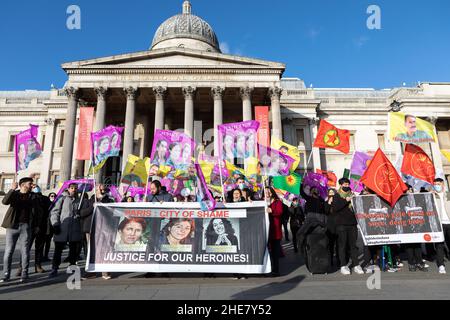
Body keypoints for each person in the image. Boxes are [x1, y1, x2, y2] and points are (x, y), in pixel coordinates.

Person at [1, 177, 47, 283]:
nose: (32, 185)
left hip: (26, 226)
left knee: (25, 251)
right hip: (12, 226)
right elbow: (4, 201)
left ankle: (24, 274)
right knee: (9, 251)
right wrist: (12, 189)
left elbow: (40, 209)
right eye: (30, 183)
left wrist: (38, 191)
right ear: (22, 185)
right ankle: (6, 274)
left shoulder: (33, 196)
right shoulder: (15, 194)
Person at [48, 183, 86, 278]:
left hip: (75, 228)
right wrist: (55, 224)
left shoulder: (80, 200)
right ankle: (54, 268)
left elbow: (83, 213)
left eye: (76, 188)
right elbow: (55, 212)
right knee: (58, 250)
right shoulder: (62, 198)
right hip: (62, 227)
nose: (74, 190)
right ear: (68, 189)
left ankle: (72, 267)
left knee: (74, 251)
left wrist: (79, 214)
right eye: (72, 188)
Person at [80, 184, 114, 280]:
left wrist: (102, 204)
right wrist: (92, 207)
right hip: (90, 228)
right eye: (100, 190)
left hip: (103, 228)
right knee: (90, 250)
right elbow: (82, 213)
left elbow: (112, 212)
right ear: (96, 190)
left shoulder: (109, 200)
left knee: (104, 249)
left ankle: (105, 272)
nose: (102, 191)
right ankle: (91, 272)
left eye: (103, 190)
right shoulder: (89, 201)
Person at [15, 184, 51, 275]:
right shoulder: (29, 197)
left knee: (39, 248)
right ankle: (21, 267)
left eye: (36, 186)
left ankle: (38, 265)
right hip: (29, 226)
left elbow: (48, 211)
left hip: (41, 226)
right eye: (33, 186)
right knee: (25, 248)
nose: (35, 188)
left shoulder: (45, 199)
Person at [333, 178, 364, 275]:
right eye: (344, 184)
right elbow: (336, 208)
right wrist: (346, 200)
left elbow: (358, 207)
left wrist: (354, 199)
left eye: (347, 184)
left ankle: (356, 265)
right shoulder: (337, 196)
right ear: (340, 185)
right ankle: (343, 265)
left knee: (353, 246)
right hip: (341, 225)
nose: (346, 186)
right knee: (342, 246)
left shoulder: (352, 195)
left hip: (352, 224)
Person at [432, 178, 450, 274]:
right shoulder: (432, 195)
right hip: (439, 224)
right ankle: (441, 265)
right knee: (439, 245)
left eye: (438, 184)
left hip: (449, 222)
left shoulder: (448, 194)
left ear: (443, 184)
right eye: (435, 184)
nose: (436, 186)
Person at [266, 187, 283, 277]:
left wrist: (272, 210)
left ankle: (275, 270)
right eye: (265, 192)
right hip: (265, 231)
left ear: (272, 192)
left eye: (268, 192)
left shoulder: (277, 201)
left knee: (274, 253)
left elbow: (279, 212)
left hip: (275, 231)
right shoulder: (263, 202)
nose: (267, 194)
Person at [324, 188, 339, 266]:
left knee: (339, 244)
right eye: (330, 192)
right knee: (331, 244)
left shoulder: (338, 202)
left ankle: (339, 260)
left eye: (333, 192)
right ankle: (330, 260)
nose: (331, 194)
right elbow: (326, 212)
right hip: (330, 226)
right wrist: (329, 203)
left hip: (338, 225)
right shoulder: (326, 202)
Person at [42, 192, 57, 262]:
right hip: (44, 225)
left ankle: (46, 256)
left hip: (51, 226)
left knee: (48, 242)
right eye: (51, 196)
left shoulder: (56, 204)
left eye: (54, 196)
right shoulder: (45, 204)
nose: (53, 197)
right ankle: (41, 256)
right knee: (42, 242)